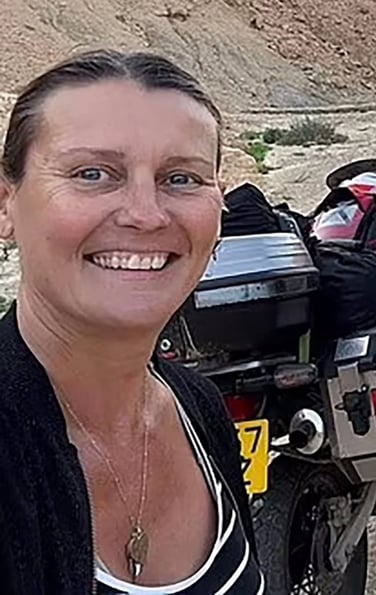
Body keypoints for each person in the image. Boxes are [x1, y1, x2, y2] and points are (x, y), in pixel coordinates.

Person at [0, 49, 265, 593]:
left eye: (182, 179)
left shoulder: (197, 407)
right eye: (93, 173)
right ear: (6, 204)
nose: (145, 214)